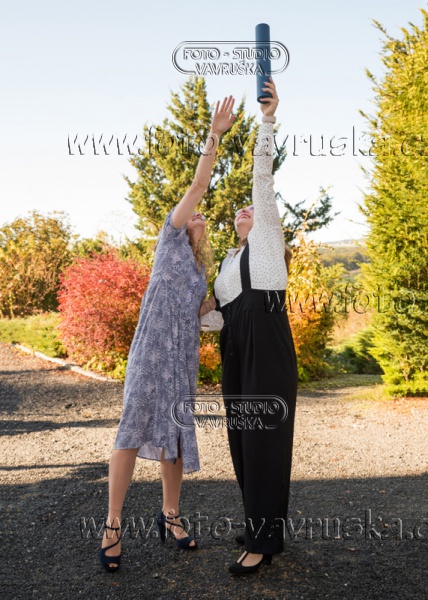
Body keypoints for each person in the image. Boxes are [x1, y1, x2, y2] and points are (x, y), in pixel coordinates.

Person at [99, 95, 236, 571]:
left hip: (181, 359)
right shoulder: (169, 237)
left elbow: (206, 314)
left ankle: (171, 516)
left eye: (201, 217)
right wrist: (215, 134)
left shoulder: (201, 272)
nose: (197, 214)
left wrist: (225, 301)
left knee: (176, 436)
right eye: (194, 212)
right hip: (150, 351)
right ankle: (112, 526)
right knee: (131, 430)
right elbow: (199, 184)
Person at [211, 78, 298, 575]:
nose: (244, 210)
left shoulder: (266, 241)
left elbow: (261, 178)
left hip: (266, 343)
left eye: (250, 209)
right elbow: (215, 318)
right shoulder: (228, 262)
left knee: (264, 441)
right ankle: (260, 526)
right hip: (235, 347)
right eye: (238, 213)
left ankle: (263, 544)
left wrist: (267, 121)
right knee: (243, 442)